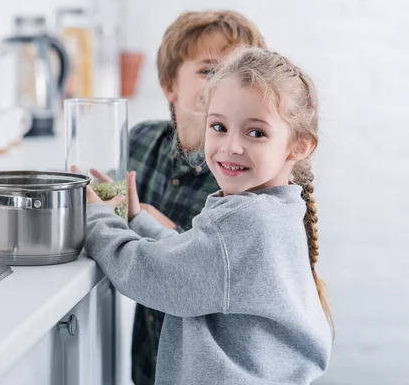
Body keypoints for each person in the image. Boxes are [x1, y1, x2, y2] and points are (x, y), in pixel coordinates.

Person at [84, 47, 334, 385]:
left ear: (299, 145)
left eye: (256, 132)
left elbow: (151, 274)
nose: (231, 146)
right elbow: (202, 261)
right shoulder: (277, 209)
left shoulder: (246, 222)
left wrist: (99, 219)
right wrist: (137, 219)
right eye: (219, 126)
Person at [127, 10, 266, 385]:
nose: (222, 83)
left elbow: (202, 276)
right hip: (151, 362)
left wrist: (158, 228)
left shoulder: (246, 178)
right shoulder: (140, 142)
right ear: (170, 85)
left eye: (236, 72)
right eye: (208, 70)